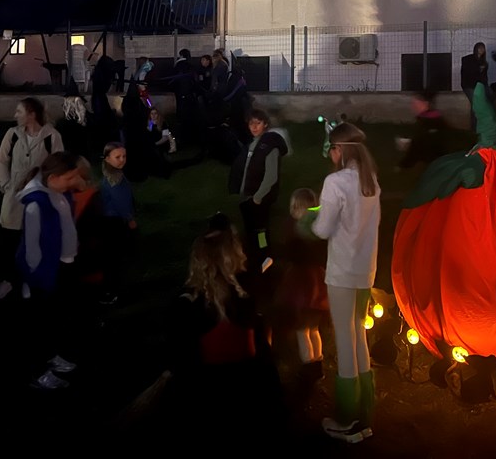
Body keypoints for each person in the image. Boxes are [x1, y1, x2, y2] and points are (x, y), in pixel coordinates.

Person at [157, 224, 286, 447]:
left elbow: (179, 362)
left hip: (207, 402)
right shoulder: (244, 300)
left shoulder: (185, 307)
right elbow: (264, 358)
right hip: (248, 398)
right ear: (232, 258)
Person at [310, 122, 380, 443]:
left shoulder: (335, 182)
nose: (330, 154)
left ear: (340, 150)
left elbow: (323, 229)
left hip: (341, 272)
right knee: (358, 334)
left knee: (344, 337)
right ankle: (365, 413)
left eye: (331, 149)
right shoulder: (371, 181)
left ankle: (347, 417)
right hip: (365, 271)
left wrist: (310, 219)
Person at [15, 152, 82, 389]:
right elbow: (31, 248)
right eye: (69, 178)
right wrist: (36, 278)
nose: (73, 182)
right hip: (42, 276)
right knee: (39, 323)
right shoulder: (36, 205)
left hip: (57, 267)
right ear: (53, 178)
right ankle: (38, 371)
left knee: (54, 319)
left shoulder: (58, 195)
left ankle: (51, 355)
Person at [0, 97, 64, 300]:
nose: (15, 115)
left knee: (33, 239)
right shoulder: (13, 134)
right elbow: (1, 160)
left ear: (31, 115)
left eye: (19, 111)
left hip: (38, 197)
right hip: (14, 196)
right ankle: (8, 280)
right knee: (10, 239)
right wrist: (6, 184)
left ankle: (28, 280)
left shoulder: (51, 136)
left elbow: (58, 164)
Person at [274, 187, 328, 397]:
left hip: (303, 289)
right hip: (317, 286)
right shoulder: (318, 229)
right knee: (313, 328)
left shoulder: (297, 231)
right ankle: (317, 364)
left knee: (302, 330)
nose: (293, 211)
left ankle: (309, 367)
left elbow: (291, 252)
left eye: (296, 208)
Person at [228, 109, 289, 279]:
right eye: (251, 123)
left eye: (258, 123)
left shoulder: (269, 147)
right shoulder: (252, 145)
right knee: (250, 228)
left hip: (258, 199)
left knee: (260, 229)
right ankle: (253, 254)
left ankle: (265, 256)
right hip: (247, 197)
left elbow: (271, 176)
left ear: (265, 124)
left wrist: (258, 197)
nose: (254, 127)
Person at [93, 142, 138, 305]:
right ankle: (112, 291)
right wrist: (130, 219)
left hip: (112, 221)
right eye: (117, 157)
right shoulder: (114, 179)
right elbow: (121, 202)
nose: (122, 160)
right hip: (115, 222)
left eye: (124, 156)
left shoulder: (112, 174)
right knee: (115, 258)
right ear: (107, 158)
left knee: (115, 257)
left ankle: (113, 289)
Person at [396, 90, 451, 171]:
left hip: (436, 163)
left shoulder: (428, 122)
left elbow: (417, 146)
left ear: (425, 104)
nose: (413, 106)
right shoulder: (434, 118)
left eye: (416, 103)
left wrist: (402, 165)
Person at [460, 42, 490, 131]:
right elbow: (467, 73)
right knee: (476, 104)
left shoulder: (484, 63)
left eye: (483, 48)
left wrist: (485, 87)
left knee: (479, 104)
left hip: (478, 86)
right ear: (476, 49)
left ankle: (479, 126)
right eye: (480, 48)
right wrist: (479, 69)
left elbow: (484, 78)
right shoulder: (468, 59)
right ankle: (474, 127)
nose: (481, 50)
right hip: (469, 85)